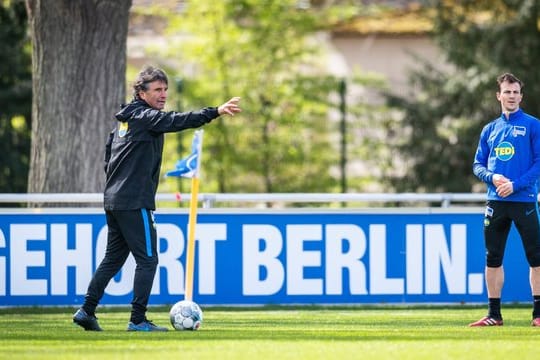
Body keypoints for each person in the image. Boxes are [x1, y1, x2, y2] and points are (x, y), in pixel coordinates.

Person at [73, 65, 241, 331]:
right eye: (157, 90)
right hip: (134, 200)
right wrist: (215, 112)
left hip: (115, 200)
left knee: (113, 259)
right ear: (141, 92)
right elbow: (177, 120)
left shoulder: (123, 123)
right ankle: (137, 319)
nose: (163, 95)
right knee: (148, 260)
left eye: (165, 89)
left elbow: (108, 159)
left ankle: (86, 311)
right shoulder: (145, 117)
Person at [470, 72, 540, 327]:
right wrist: (492, 177)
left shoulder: (534, 125)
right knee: (493, 257)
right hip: (495, 202)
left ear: (521, 96)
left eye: (515, 92)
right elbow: (477, 164)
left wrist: (515, 185)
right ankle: (494, 314)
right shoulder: (489, 129)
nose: (511, 96)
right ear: (498, 96)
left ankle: (538, 314)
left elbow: (538, 163)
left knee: (536, 257)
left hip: (524, 201)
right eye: (507, 92)